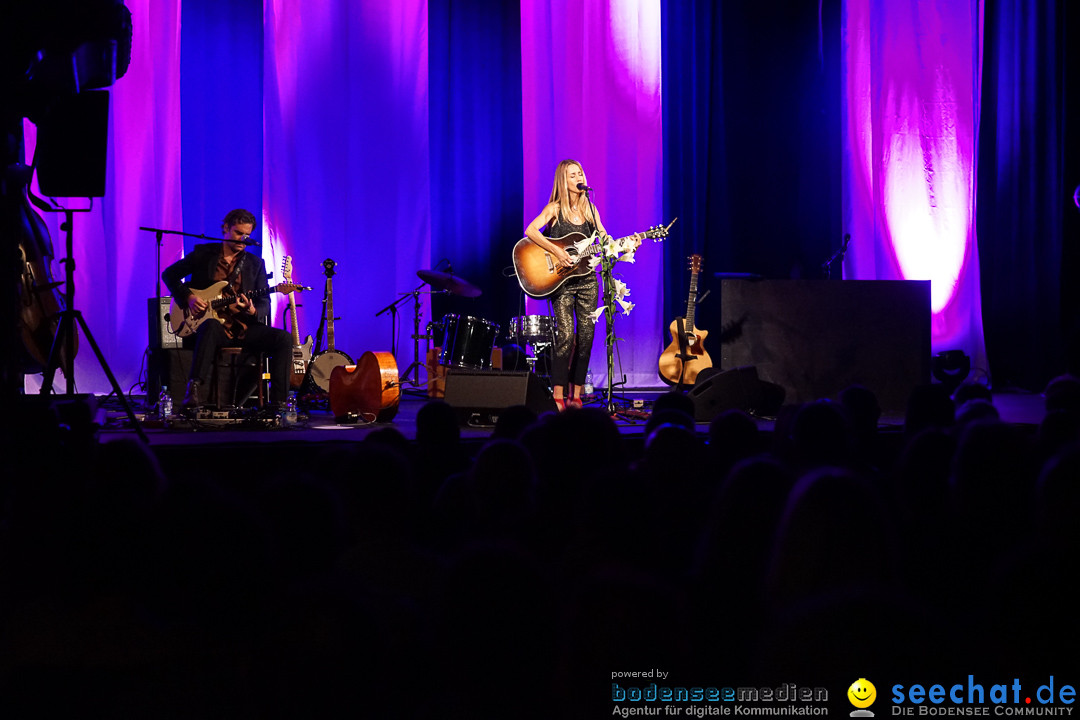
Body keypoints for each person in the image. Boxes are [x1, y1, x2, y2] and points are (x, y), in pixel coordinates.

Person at [524, 159, 638, 410]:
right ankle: (557, 396)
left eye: (581, 173)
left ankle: (576, 395)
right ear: (564, 181)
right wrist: (556, 249)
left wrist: (627, 243)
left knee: (586, 338)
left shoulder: (590, 209)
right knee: (565, 336)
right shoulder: (555, 209)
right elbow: (530, 231)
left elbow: (606, 240)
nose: (579, 177)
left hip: (588, 281)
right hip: (562, 282)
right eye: (573, 174)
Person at [162, 208, 292, 409]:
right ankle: (193, 391)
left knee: (284, 338)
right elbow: (169, 275)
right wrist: (188, 297)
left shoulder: (255, 263)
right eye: (238, 233)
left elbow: (264, 303)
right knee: (211, 326)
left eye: (247, 235)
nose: (243, 240)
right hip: (210, 327)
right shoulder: (203, 254)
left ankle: (279, 403)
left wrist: (252, 311)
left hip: (243, 328)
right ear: (225, 228)